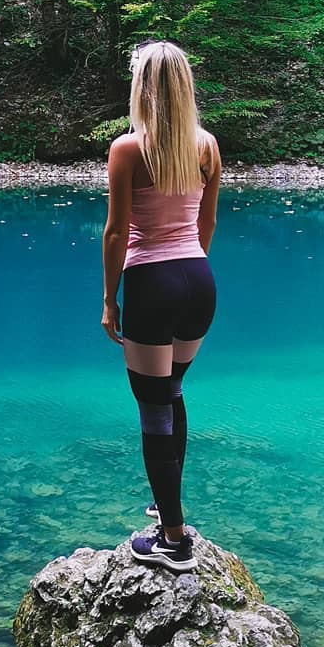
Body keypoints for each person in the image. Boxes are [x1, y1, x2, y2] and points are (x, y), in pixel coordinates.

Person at [101, 39, 222, 571]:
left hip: (152, 282)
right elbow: (207, 223)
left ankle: (174, 541)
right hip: (199, 280)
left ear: (142, 87)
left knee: (153, 409)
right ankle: (165, 502)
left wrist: (110, 300)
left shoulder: (128, 149)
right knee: (172, 391)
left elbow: (116, 233)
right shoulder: (207, 146)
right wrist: (188, 272)